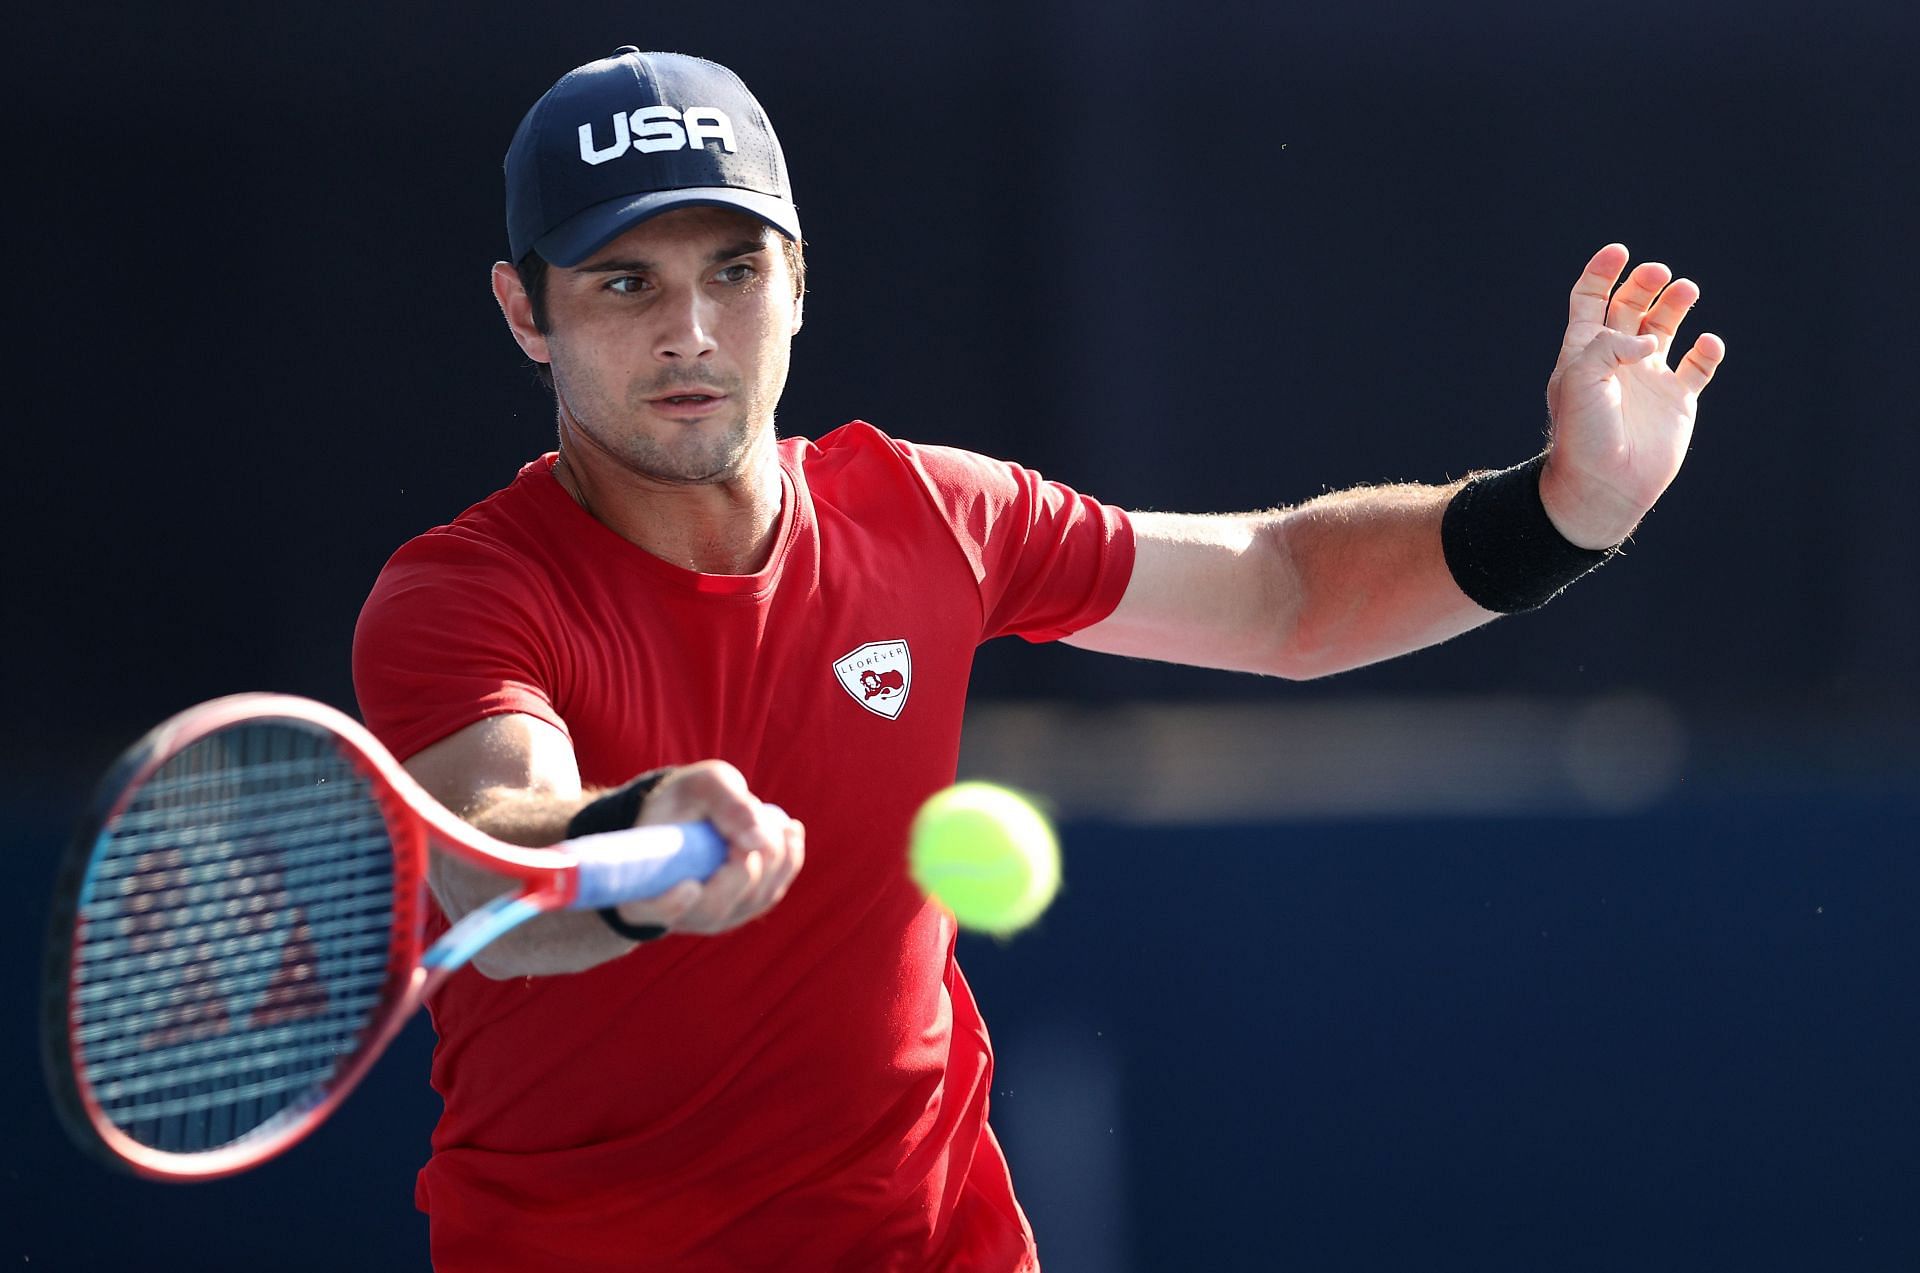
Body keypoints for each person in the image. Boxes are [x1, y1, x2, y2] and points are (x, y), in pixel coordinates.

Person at [352, 46, 1724, 1272]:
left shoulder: (932, 515)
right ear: (526, 311)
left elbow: (1287, 590)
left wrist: (1566, 509)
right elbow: (491, 846)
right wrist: (634, 843)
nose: (691, 332)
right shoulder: (463, 592)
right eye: (621, 282)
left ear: (799, 278)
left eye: (734, 269)